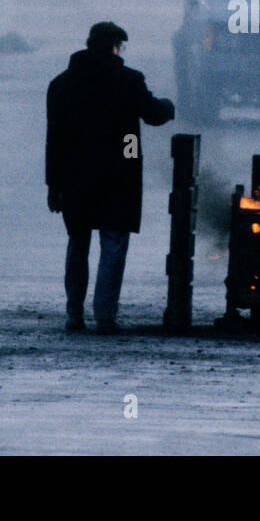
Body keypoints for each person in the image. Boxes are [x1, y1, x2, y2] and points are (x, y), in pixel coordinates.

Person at [45, 21, 175, 333]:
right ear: (115, 46)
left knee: (78, 243)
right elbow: (154, 114)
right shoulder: (128, 81)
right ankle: (105, 316)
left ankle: (73, 314)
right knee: (113, 244)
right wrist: (169, 106)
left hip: (74, 178)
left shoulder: (60, 84)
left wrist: (53, 186)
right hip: (119, 176)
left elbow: (55, 141)